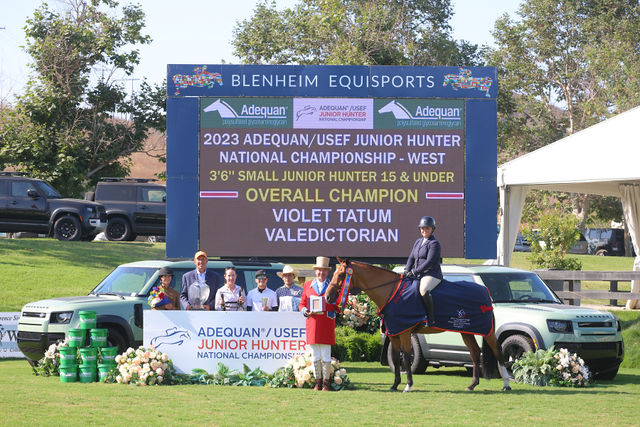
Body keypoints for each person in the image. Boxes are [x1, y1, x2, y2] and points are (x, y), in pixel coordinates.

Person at [299, 256, 339, 391]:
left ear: (327, 272)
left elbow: (338, 304)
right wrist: (305, 310)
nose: (321, 273)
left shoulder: (332, 286)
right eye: (318, 271)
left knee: (326, 354)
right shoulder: (307, 285)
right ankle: (318, 382)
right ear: (315, 271)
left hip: (326, 323)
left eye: (324, 271)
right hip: (313, 323)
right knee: (315, 355)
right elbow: (302, 304)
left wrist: (334, 305)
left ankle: (326, 383)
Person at [404, 216, 443, 325]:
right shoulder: (418, 242)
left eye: (427, 228)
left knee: (424, 290)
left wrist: (414, 272)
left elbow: (429, 262)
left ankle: (431, 318)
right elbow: (411, 257)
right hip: (419, 274)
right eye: (422, 228)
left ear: (432, 229)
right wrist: (407, 270)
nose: (424, 230)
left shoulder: (434, 244)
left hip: (431, 274)